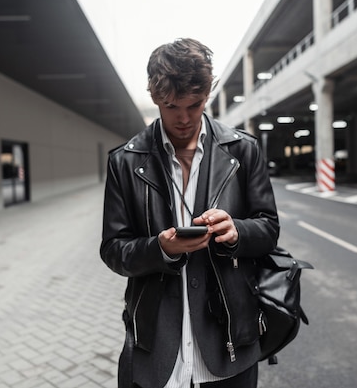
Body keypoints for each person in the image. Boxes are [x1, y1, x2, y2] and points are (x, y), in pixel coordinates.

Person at [100, 38, 279, 388]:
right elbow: (113, 250)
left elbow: (269, 228)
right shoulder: (124, 161)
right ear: (155, 98)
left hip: (228, 342)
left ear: (207, 95)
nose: (183, 119)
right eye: (171, 106)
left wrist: (237, 232)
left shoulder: (243, 151)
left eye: (194, 106)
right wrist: (160, 249)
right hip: (156, 345)